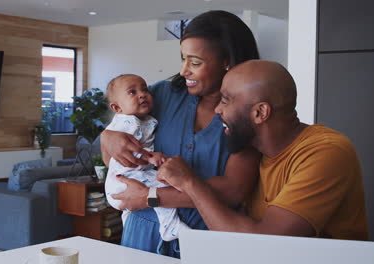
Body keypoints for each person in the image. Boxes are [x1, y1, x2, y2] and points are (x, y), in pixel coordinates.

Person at [100, 10, 261, 257]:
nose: (184, 70)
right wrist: (107, 138)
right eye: (183, 59)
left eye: (195, 62)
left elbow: (234, 190)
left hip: (206, 238)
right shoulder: (162, 95)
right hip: (142, 231)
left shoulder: (248, 111)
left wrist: (150, 197)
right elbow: (111, 157)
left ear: (227, 61)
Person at [157, 60, 369, 240]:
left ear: (260, 113)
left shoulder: (327, 152)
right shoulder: (254, 149)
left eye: (226, 100)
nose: (217, 110)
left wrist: (190, 182)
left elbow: (266, 246)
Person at [104, 73, 190, 241]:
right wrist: (150, 156)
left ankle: (129, 220)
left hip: (128, 179)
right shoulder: (129, 123)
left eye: (144, 89)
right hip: (127, 178)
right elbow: (129, 153)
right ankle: (170, 227)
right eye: (132, 92)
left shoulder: (140, 120)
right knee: (163, 190)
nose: (142, 94)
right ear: (117, 108)